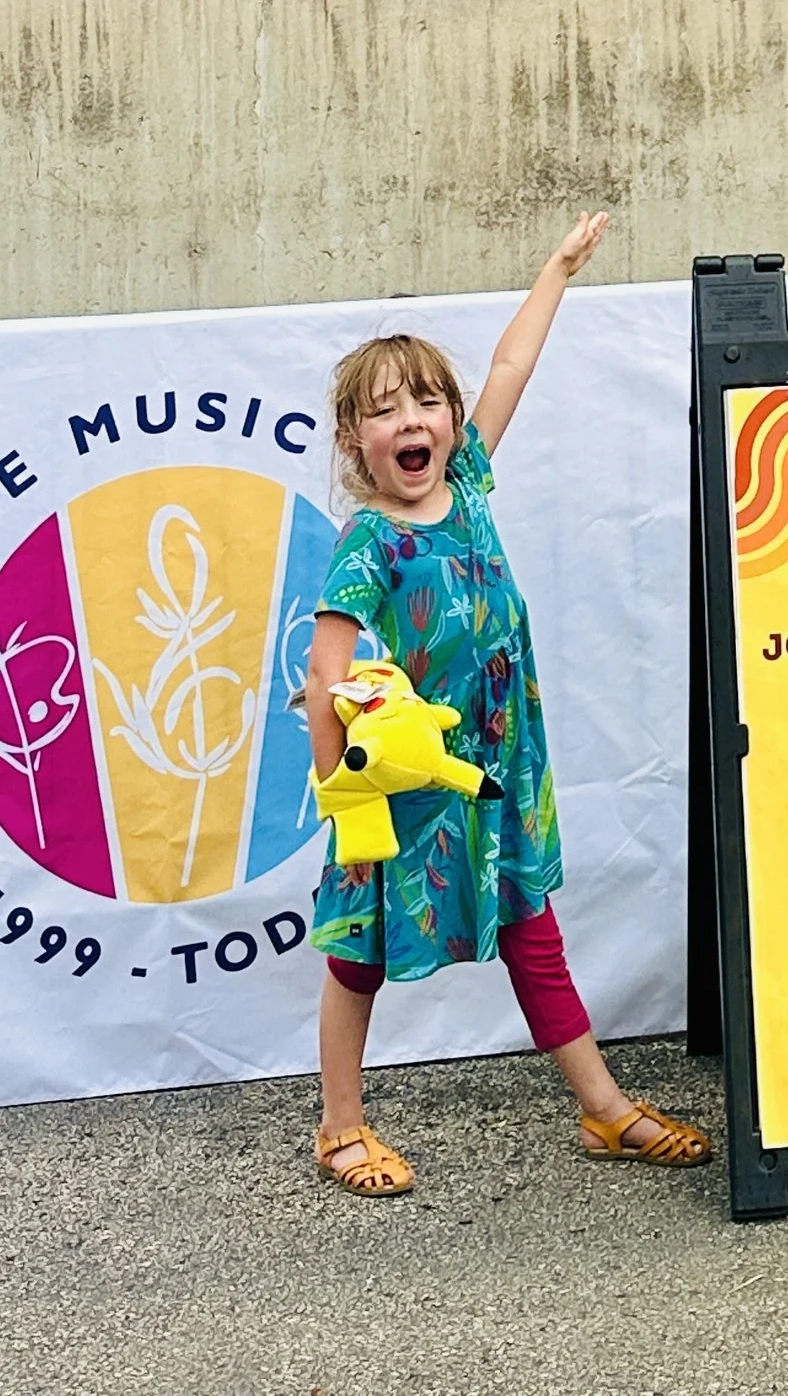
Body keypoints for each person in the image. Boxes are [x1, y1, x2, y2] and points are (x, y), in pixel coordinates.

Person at [304, 214, 713, 1196]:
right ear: (355, 442)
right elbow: (325, 672)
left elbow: (513, 366)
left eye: (429, 403)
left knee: (531, 925)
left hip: (500, 767)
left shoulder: (473, 487)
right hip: (404, 787)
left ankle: (604, 1110)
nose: (415, 422)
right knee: (360, 949)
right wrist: (345, 798)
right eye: (387, 410)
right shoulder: (370, 544)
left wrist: (557, 270)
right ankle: (339, 1128)